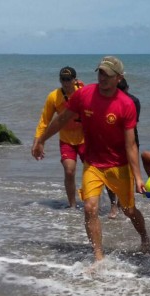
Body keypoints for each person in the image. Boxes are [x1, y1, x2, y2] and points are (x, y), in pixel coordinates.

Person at [32, 56, 150, 262]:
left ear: (119, 78)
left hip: (119, 165)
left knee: (129, 210)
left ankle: (144, 237)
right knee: (90, 207)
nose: (103, 77)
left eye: (108, 74)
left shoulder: (126, 104)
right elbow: (61, 119)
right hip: (93, 164)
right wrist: (41, 140)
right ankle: (98, 257)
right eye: (100, 72)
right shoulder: (84, 95)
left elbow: (131, 144)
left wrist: (139, 177)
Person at [32, 66, 85, 208]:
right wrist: (37, 142)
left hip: (86, 139)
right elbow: (44, 121)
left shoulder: (83, 93)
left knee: (93, 170)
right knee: (69, 170)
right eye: (63, 79)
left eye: (69, 79)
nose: (66, 83)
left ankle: (100, 200)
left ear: (75, 80)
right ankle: (72, 205)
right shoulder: (54, 97)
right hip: (66, 139)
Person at [106, 77, 143, 218]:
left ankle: (120, 203)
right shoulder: (111, 100)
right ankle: (115, 204)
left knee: (121, 173)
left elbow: (132, 124)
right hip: (116, 139)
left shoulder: (133, 101)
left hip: (126, 139)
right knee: (112, 172)